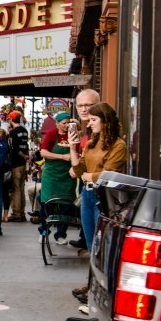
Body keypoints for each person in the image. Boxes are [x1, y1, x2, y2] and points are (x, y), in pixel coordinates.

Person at [69, 102, 128, 254]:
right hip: (87, 194)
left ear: (105, 121)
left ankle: (104, 277)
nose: (89, 124)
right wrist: (72, 147)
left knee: (102, 245)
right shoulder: (90, 143)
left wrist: (89, 176)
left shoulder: (118, 145)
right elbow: (78, 170)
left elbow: (110, 173)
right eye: (89, 120)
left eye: (93, 120)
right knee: (91, 244)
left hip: (104, 196)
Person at [66, 89, 101, 250]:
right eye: (80, 105)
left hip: (101, 192)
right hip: (87, 190)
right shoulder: (87, 132)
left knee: (98, 245)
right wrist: (73, 149)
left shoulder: (103, 134)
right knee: (91, 243)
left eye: (89, 105)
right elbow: (80, 166)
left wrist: (84, 172)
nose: (84, 109)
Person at [38, 112, 77, 244]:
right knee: (47, 203)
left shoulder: (73, 133)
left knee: (66, 204)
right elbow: (43, 152)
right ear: (57, 124)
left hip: (67, 174)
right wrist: (62, 157)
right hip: (52, 174)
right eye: (64, 123)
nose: (66, 125)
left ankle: (60, 234)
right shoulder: (51, 134)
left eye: (68, 122)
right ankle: (44, 230)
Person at [6, 111, 30, 222]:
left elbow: (13, 148)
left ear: (11, 120)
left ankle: (16, 214)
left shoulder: (13, 132)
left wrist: (23, 156)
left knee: (15, 189)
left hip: (15, 163)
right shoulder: (24, 131)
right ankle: (22, 213)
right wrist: (26, 157)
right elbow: (25, 146)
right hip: (22, 164)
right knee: (21, 188)